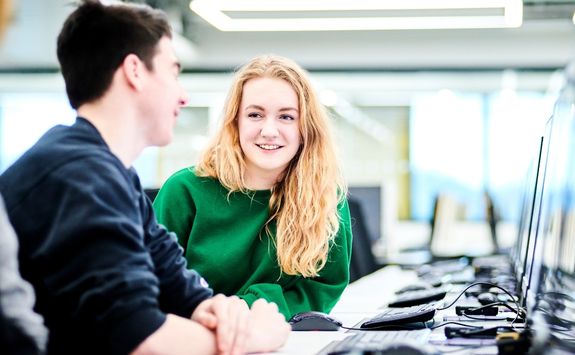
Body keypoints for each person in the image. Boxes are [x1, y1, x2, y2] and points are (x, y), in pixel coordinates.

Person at [0, 1, 289, 354]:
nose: (183, 95)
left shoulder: (116, 176)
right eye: (173, 73)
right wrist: (258, 335)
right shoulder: (78, 175)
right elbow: (140, 339)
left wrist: (227, 314)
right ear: (135, 71)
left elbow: (183, 291)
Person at [153, 55, 353, 319]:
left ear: (306, 127)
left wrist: (250, 306)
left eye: (286, 117)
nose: (269, 130)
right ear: (235, 122)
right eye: (255, 115)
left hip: (282, 340)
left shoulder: (326, 197)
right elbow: (149, 283)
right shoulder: (184, 191)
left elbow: (323, 289)